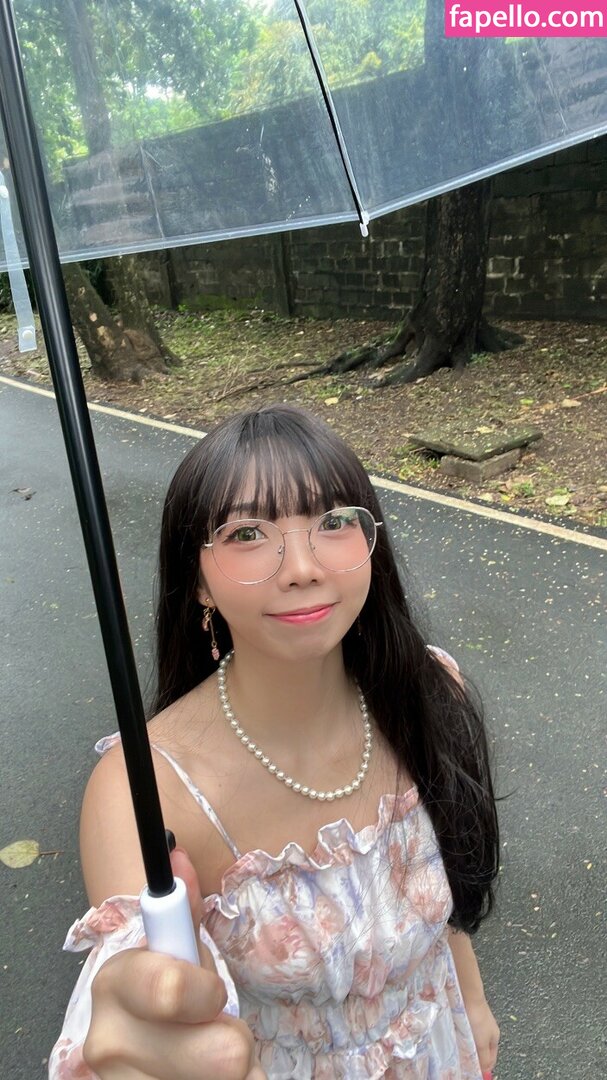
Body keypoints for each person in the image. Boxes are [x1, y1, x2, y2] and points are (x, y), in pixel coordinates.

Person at [50, 403, 501, 1080]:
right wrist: (145, 1034)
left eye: (332, 521)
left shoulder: (430, 691)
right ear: (197, 581)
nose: (303, 567)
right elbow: (135, 1004)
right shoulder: (143, 788)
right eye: (246, 533)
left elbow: (447, 880)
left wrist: (473, 999)